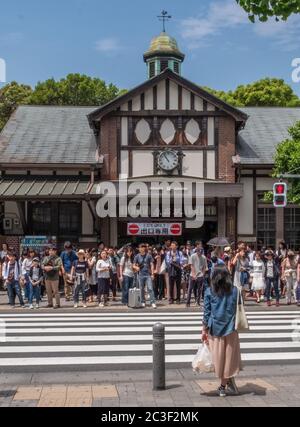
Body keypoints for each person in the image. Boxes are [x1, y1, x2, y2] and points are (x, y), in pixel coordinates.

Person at [202, 265, 242, 397]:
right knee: (229, 358)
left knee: (218, 358)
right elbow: (239, 308)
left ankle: (224, 385)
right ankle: (224, 386)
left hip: (215, 329)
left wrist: (204, 330)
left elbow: (207, 313)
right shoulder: (235, 291)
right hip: (231, 328)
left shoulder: (209, 291)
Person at [133, 243, 156, 309]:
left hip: (148, 274)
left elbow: (152, 265)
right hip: (140, 275)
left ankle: (152, 302)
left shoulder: (149, 256)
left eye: (143, 247)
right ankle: (143, 301)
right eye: (141, 247)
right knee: (141, 289)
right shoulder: (137, 256)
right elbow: (133, 265)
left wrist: (152, 274)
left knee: (150, 288)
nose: (142, 249)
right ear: (139, 249)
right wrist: (136, 267)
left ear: (145, 248)